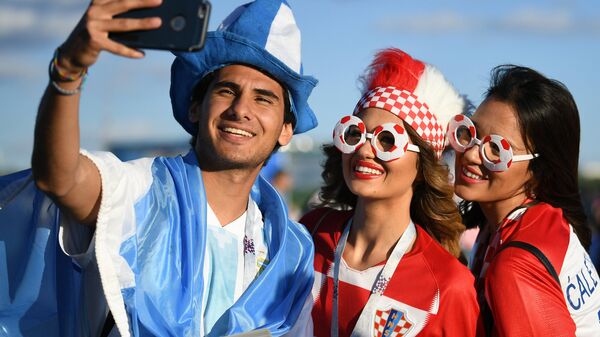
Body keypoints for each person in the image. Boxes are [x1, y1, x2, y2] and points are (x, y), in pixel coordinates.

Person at [0, 0, 317, 336]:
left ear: (286, 129)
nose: (241, 109)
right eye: (227, 90)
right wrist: (69, 70)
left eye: (263, 98)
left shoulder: (291, 248)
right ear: (196, 107)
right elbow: (60, 180)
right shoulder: (139, 191)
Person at [300, 48, 480, 337]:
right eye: (355, 133)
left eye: (387, 140)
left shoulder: (449, 285)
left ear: (422, 166)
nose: (364, 149)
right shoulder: (308, 234)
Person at [452, 65, 600, 336]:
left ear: (539, 170)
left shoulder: (516, 265)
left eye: (495, 149)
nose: (472, 155)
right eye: (470, 133)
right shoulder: (542, 222)